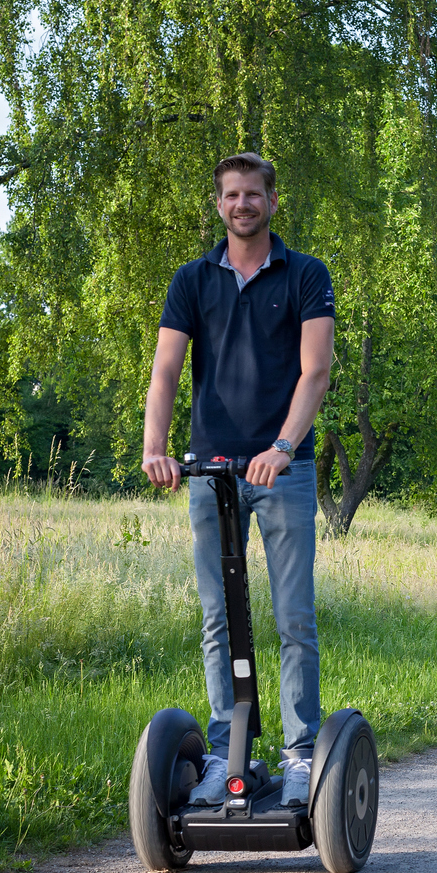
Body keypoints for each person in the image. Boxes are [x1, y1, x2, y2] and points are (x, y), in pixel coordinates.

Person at [142, 151, 335, 807]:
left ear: (272, 202)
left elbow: (315, 370)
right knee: (218, 619)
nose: (242, 204)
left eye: (253, 194)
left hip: (284, 470)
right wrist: (155, 447)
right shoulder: (193, 279)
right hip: (211, 469)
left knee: (292, 616)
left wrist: (283, 445)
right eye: (231, 195)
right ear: (219, 203)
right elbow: (167, 370)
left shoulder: (306, 274)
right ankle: (227, 748)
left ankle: (300, 751)